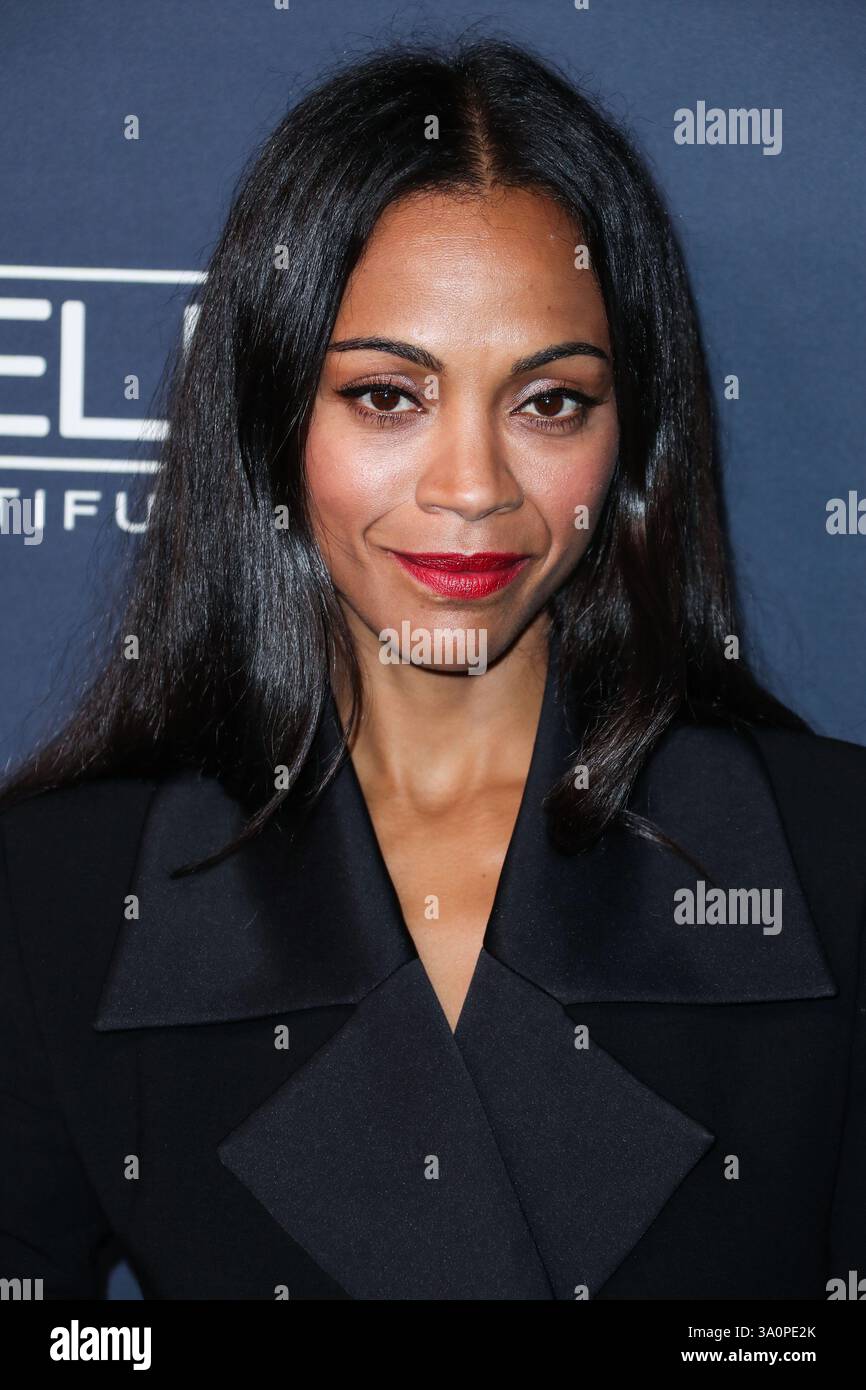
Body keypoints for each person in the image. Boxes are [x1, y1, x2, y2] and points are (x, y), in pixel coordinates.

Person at [1, 38, 864, 1302]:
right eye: (388, 395)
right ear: (270, 413)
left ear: (629, 438)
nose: (471, 487)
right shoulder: (64, 897)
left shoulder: (832, 860)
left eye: (547, 402)